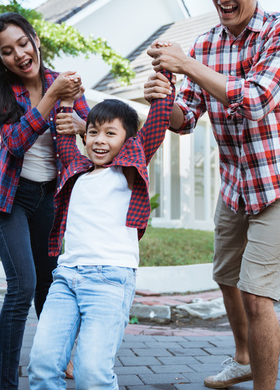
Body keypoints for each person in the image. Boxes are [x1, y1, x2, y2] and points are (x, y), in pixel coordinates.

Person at [144, 0, 280, 390]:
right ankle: (242, 358)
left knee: (258, 295)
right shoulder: (204, 46)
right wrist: (166, 99)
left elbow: (256, 99)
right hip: (235, 183)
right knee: (225, 275)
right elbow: (185, 118)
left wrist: (186, 66)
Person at [27, 69, 175, 389]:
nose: (99, 140)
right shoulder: (75, 171)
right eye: (93, 132)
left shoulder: (128, 171)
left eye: (111, 133)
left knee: (91, 374)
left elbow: (157, 122)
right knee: (42, 366)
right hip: (66, 278)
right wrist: (67, 99)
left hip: (110, 281)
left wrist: (165, 77)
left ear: (127, 141)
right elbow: (66, 129)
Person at [0, 12, 89, 390]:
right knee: (22, 287)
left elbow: (93, 136)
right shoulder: (0, 92)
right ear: (1, 58)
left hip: (48, 198)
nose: (19, 55)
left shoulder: (65, 84)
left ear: (36, 39)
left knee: (49, 287)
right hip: (10, 199)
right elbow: (15, 142)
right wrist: (52, 98)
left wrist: (80, 125)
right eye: (7, 51)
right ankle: (6, 384)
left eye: (23, 44)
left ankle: (59, 360)